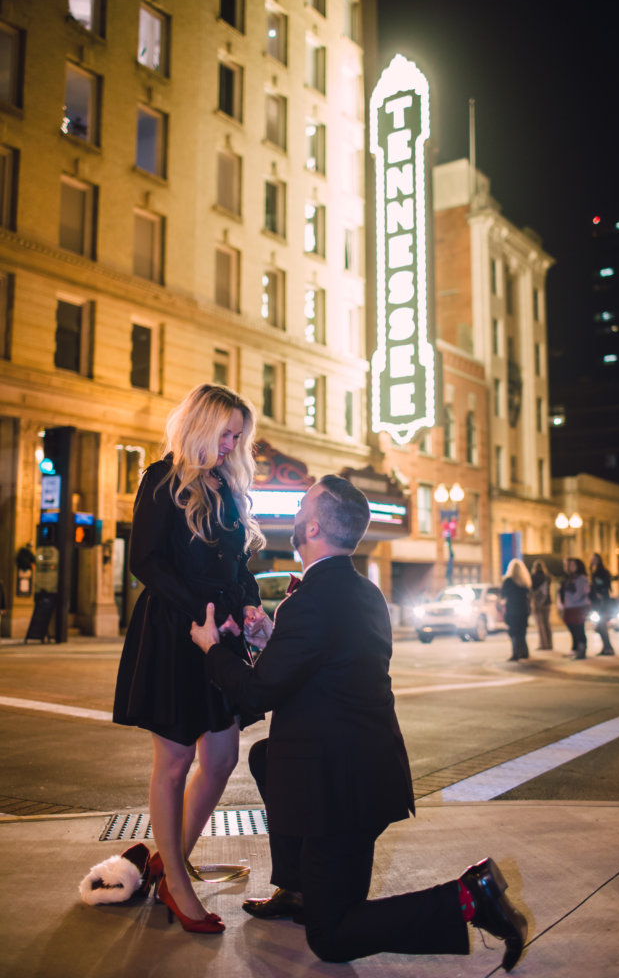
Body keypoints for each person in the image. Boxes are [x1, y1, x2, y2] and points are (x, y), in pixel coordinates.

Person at [190, 475, 528, 972]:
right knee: (267, 757)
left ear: (312, 526)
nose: (299, 510)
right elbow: (327, 663)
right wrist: (272, 636)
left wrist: (212, 649)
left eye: (304, 504)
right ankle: (298, 889)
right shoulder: (362, 592)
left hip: (337, 792)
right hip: (367, 774)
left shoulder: (313, 601)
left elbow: (257, 693)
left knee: (331, 937)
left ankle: (470, 898)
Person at [113, 384, 267, 934]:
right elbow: (146, 563)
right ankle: (176, 882)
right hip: (175, 631)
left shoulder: (225, 487)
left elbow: (238, 567)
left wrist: (248, 607)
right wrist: (201, 615)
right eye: (226, 433)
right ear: (200, 426)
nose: (231, 445)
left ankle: (166, 860)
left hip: (218, 632)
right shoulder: (161, 479)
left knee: (222, 757)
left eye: (237, 436)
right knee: (174, 762)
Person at [557, 557, 590, 659]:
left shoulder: (581, 578)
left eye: (572, 565)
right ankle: (575, 649)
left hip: (578, 607)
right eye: (569, 565)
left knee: (579, 629)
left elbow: (580, 594)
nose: (570, 568)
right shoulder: (570, 578)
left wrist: (571, 599)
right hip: (570, 607)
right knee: (573, 629)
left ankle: (581, 650)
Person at [501, 558, 532, 661]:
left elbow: (503, 595)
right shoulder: (525, 582)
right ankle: (524, 652)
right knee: (522, 632)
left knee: (513, 632)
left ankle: (515, 653)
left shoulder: (508, 581)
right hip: (523, 609)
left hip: (512, 609)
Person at [589, 553, 615, 655]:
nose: (593, 561)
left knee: (601, 625)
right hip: (597, 602)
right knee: (599, 626)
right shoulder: (593, 572)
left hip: (603, 602)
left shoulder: (602, 572)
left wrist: (601, 593)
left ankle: (608, 648)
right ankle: (607, 647)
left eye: (595, 559)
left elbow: (605, 585)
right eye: (592, 559)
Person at [530, 560, 552, 650]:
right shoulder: (547, 577)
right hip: (547, 602)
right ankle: (550, 644)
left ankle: (543, 644)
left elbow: (531, 590)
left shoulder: (533, 577)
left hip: (538, 603)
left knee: (540, 624)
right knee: (547, 624)